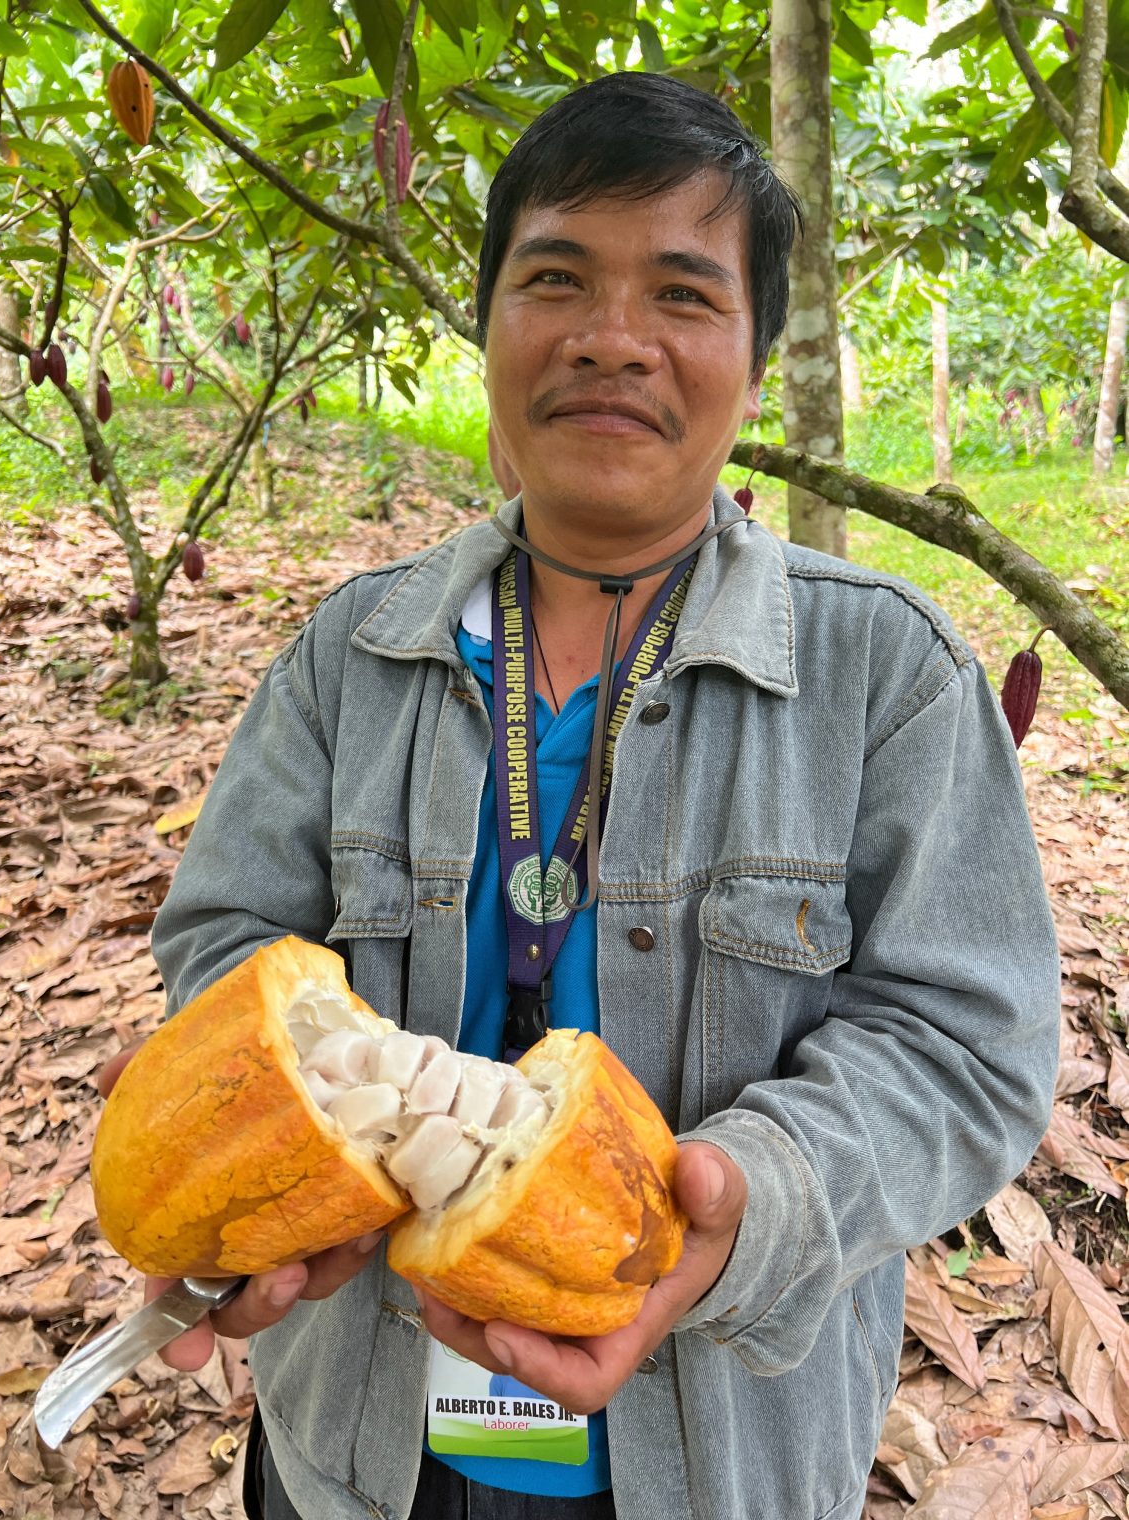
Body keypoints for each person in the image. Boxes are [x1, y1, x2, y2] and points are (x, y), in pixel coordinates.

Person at [99, 72, 1060, 1520]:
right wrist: (279, 1133)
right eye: (556, 277)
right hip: (359, 1443)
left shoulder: (886, 676)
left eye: (683, 293)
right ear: (485, 321)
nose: (613, 341)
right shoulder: (351, 655)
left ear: (756, 349)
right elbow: (227, 932)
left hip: (717, 1453)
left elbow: (969, 1046)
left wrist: (744, 1212)